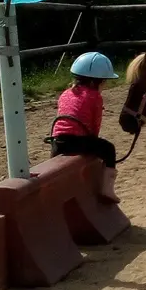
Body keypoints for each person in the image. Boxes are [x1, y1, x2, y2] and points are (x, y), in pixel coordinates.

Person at [50, 52, 121, 203]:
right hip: (79, 141)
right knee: (109, 149)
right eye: (104, 82)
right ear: (97, 81)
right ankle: (107, 190)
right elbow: (95, 124)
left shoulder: (66, 93)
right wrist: (93, 140)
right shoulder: (95, 97)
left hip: (58, 140)